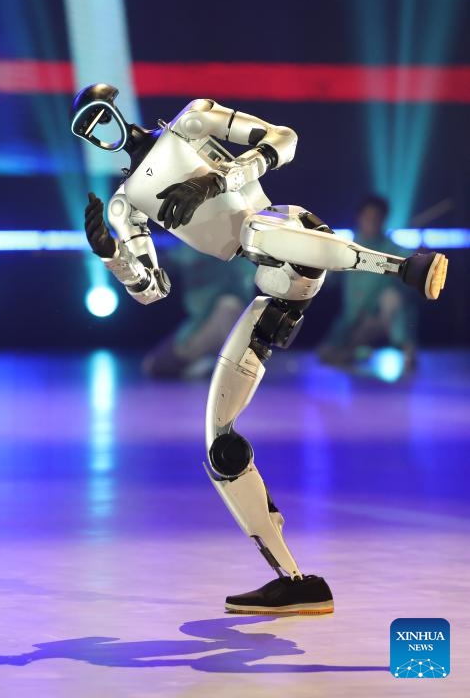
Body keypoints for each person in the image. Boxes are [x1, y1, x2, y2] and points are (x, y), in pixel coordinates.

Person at [71, 83, 448, 616]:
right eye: (87, 127)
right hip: (273, 291)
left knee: (255, 229)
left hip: (286, 230)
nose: (99, 130)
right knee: (218, 443)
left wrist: (217, 179)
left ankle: (402, 267)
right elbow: (153, 290)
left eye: (100, 115)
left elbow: (284, 140)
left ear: (116, 110)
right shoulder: (125, 205)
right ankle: (294, 580)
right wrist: (110, 254)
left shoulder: (192, 122)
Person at [318, 195, 416, 370]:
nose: (372, 221)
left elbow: (410, 262)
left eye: (376, 217)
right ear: (359, 217)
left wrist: (417, 260)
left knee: (391, 298)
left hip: (379, 319)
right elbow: (328, 281)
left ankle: (407, 350)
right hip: (354, 320)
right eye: (368, 217)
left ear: (383, 219)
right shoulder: (346, 247)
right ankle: (354, 351)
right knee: (328, 354)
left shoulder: (391, 249)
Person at [143, 246, 255, 378]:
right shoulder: (190, 247)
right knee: (152, 365)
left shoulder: (236, 249)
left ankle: (224, 364)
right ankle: (203, 363)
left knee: (229, 306)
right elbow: (168, 260)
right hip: (198, 327)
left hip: (227, 322)